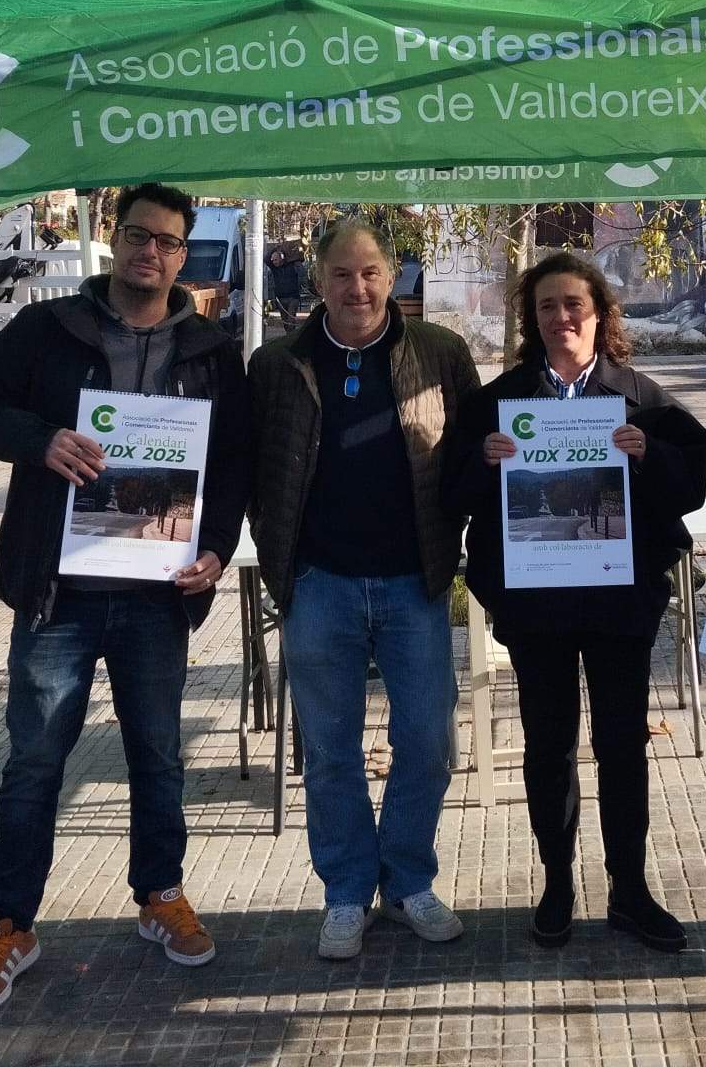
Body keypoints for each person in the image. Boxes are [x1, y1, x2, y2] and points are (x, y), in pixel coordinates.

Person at [0, 181, 252, 1016]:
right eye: (138, 235)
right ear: (116, 240)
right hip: (61, 591)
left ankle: (159, 894)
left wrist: (216, 551)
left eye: (167, 241)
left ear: (184, 255)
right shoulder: (48, 329)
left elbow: (229, 466)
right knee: (35, 762)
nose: (150, 251)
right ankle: (10, 923)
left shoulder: (212, 350)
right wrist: (37, 439)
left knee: (157, 755)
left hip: (158, 595)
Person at [443, 251, 706, 951]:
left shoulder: (645, 401)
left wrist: (649, 454)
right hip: (538, 608)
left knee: (623, 744)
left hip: (621, 605)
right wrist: (483, 462)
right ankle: (557, 881)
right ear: (531, 321)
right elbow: (449, 493)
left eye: (574, 306)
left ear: (599, 315)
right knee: (548, 745)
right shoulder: (497, 403)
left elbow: (688, 490)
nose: (561, 318)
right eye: (546, 308)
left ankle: (630, 890)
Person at [248, 216, 481, 959]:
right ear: (318, 281)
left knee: (426, 741)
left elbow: (475, 456)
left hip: (415, 583)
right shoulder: (277, 363)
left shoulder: (441, 353)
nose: (358, 287)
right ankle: (348, 892)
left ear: (394, 276)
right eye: (342, 274)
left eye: (372, 272)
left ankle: (408, 878)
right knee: (330, 751)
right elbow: (248, 465)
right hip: (321, 585)